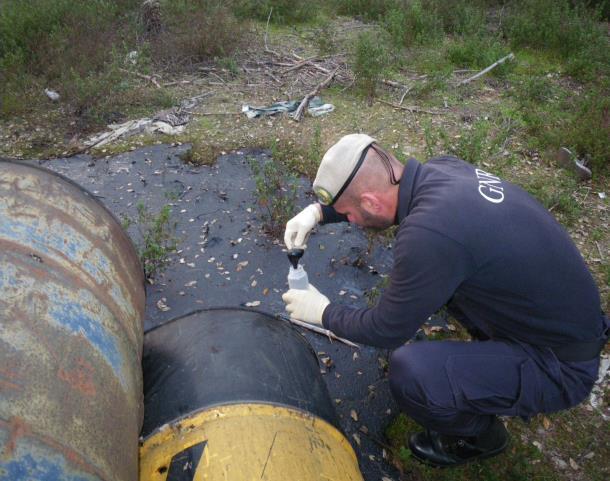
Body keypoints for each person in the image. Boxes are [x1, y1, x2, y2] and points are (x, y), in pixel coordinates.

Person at [282, 134, 608, 467]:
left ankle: (481, 436)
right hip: (568, 319)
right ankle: (494, 357)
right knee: (446, 283)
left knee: (412, 372)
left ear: (371, 203)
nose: (350, 220)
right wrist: (318, 213)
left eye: (349, 214)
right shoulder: (441, 171)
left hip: (562, 364)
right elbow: (376, 204)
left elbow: (386, 329)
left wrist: (323, 313)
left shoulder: (429, 236)